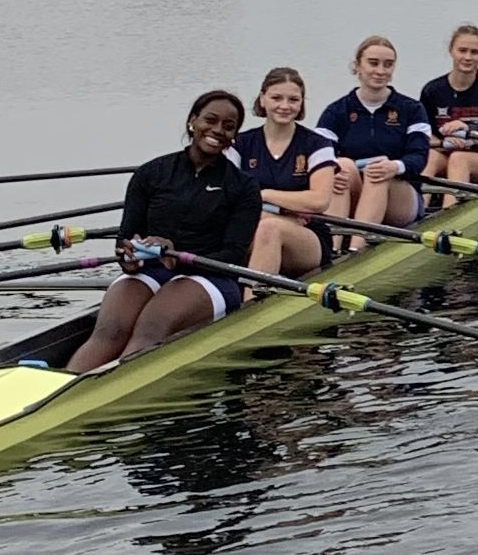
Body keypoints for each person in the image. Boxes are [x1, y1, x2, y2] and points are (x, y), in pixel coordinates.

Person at [68, 90, 265, 371]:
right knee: (110, 331)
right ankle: (62, 387)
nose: (218, 130)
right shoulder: (151, 173)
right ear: (192, 121)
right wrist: (128, 257)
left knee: (152, 326)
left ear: (234, 136)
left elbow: (232, 256)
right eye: (210, 120)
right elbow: (125, 239)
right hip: (151, 270)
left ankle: (110, 384)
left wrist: (179, 254)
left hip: (212, 275)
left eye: (228, 126)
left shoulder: (243, 187)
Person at [318, 35, 430, 242]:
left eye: (388, 65)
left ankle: (355, 248)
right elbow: (318, 158)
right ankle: (332, 248)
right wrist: (332, 171)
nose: (380, 71)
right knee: (339, 166)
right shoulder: (336, 112)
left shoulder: (412, 109)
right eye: (373, 63)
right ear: (357, 66)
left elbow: (419, 157)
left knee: (378, 169)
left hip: (400, 198)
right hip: (355, 193)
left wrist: (395, 167)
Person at [233, 66, 339, 275]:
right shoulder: (240, 144)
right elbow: (230, 199)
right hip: (255, 227)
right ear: (262, 99)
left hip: (307, 236)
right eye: (276, 98)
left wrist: (265, 195)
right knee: (262, 226)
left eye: (293, 100)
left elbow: (319, 200)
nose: (285, 106)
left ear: (301, 104)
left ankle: (253, 302)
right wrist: (280, 214)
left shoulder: (318, 144)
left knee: (269, 228)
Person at [420, 23, 478, 200]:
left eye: (474, 52)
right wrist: (445, 141)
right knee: (430, 156)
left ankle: (450, 216)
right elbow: (426, 136)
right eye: (462, 51)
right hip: (446, 155)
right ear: (451, 51)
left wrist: (470, 135)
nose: (468, 57)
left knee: (459, 158)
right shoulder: (432, 91)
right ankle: (415, 215)